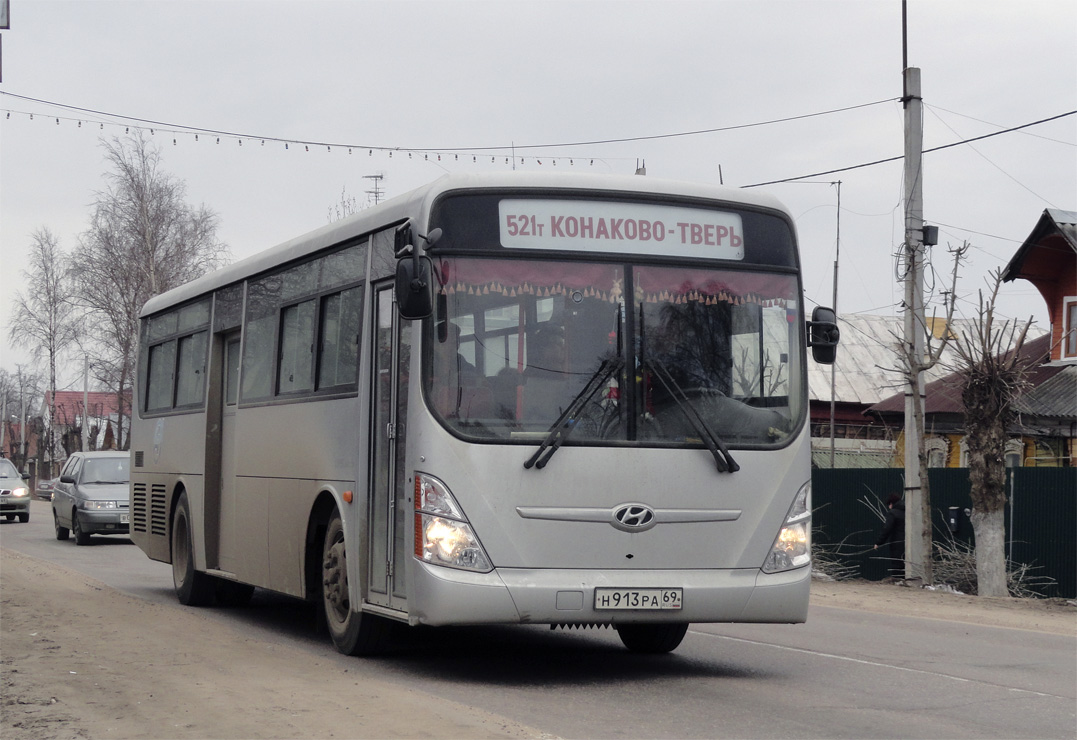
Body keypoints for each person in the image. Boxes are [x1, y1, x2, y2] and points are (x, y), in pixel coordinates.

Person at [874, 492, 906, 580]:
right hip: (909, 542)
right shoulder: (908, 511)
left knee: (897, 562)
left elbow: (887, 529)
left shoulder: (892, 513)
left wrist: (878, 542)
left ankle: (898, 580)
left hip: (897, 542)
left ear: (891, 503)